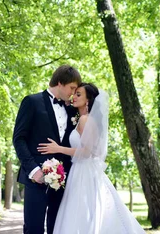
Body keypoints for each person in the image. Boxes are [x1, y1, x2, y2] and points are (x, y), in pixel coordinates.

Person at [38, 83, 146, 234]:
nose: (73, 97)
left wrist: (58, 148)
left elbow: (87, 152)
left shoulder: (85, 120)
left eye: (78, 94)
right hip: (82, 169)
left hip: (84, 172)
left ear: (88, 100)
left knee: (81, 213)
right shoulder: (82, 118)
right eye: (74, 93)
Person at [12, 65, 81, 234]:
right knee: (34, 228)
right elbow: (19, 139)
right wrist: (34, 170)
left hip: (64, 180)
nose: (73, 93)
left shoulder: (72, 109)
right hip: (36, 178)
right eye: (72, 88)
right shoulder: (32, 102)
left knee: (57, 228)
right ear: (60, 82)